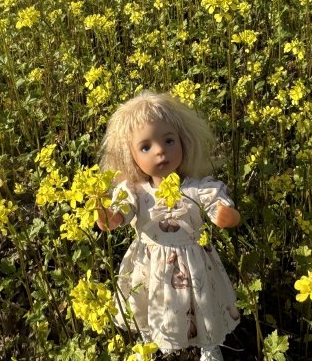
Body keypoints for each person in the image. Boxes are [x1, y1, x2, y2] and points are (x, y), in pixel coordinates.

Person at [97, 90, 241, 361]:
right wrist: (105, 214)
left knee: (201, 304)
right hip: (149, 263)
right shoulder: (135, 192)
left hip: (194, 263)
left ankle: (208, 346)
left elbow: (221, 209)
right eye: (145, 147)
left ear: (184, 141)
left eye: (169, 141)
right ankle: (149, 343)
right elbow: (118, 218)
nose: (160, 150)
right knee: (149, 301)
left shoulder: (198, 188)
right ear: (130, 157)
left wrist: (227, 216)